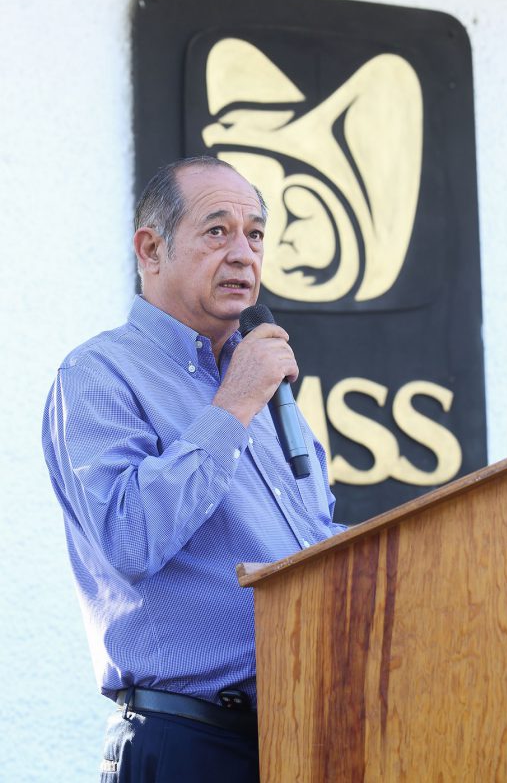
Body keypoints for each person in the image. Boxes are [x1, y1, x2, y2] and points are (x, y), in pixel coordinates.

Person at [42, 156, 345, 782]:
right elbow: (131, 537)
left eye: (255, 234)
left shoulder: (264, 389)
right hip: (189, 741)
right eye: (217, 231)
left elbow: (313, 547)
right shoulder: (99, 375)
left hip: (303, 731)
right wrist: (232, 406)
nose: (243, 254)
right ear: (151, 249)